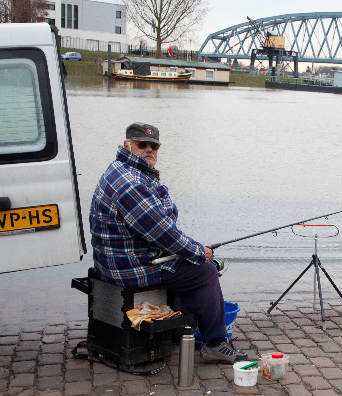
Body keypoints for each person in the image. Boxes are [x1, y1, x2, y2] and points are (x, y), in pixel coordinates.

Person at [89, 122, 247, 364]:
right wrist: (197, 252)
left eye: (154, 146)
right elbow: (164, 233)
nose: (149, 150)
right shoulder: (131, 185)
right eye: (142, 145)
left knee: (189, 261)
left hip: (122, 258)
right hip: (129, 268)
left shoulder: (121, 169)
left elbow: (161, 229)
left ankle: (177, 330)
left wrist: (190, 249)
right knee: (205, 272)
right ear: (127, 145)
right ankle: (215, 343)